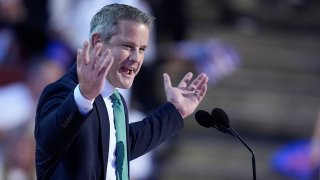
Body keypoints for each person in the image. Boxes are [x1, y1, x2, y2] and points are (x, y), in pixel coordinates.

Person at [34, 3, 208, 180]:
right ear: (98, 43)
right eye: (127, 46)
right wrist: (83, 97)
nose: (136, 59)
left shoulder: (115, 100)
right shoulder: (65, 90)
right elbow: (48, 141)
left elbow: (119, 147)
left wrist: (175, 110)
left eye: (141, 49)